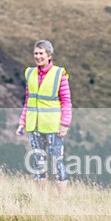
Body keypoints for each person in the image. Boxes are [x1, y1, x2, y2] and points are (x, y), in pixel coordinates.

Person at [15, 40, 71, 193]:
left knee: (56, 161)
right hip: (34, 125)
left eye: (41, 53)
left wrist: (64, 124)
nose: (38, 56)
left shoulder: (59, 74)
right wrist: (22, 122)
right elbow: (28, 100)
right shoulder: (30, 73)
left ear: (49, 55)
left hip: (54, 126)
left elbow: (66, 101)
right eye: (36, 53)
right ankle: (41, 199)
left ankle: (63, 200)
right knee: (38, 162)